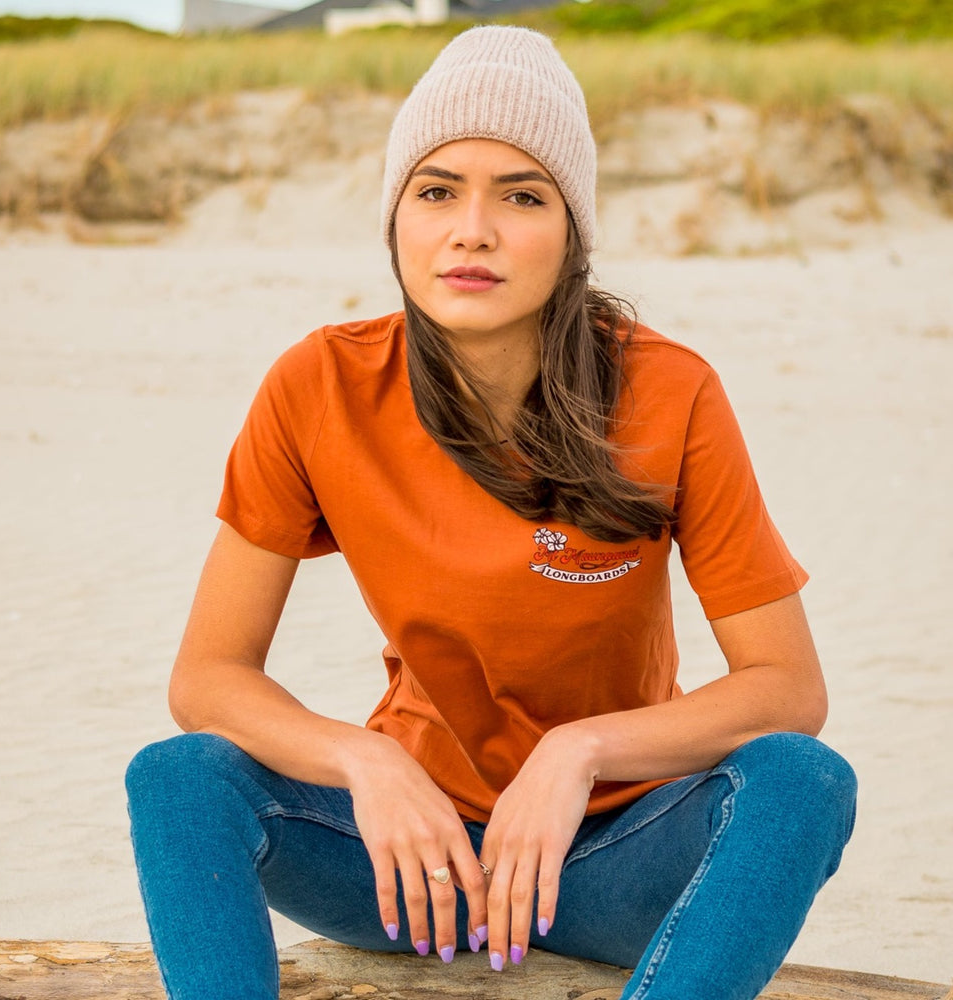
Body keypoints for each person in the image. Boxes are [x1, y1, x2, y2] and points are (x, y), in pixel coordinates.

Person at [125, 25, 857, 1000]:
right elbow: (207, 678)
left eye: (521, 194)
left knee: (802, 782)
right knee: (176, 777)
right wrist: (363, 763)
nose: (472, 228)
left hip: (609, 853)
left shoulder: (667, 392)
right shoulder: (320, 386)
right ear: (397, 221)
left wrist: (581, 750)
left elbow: (786, 688)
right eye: (436, 191)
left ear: (572, 232)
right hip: (407, 863)